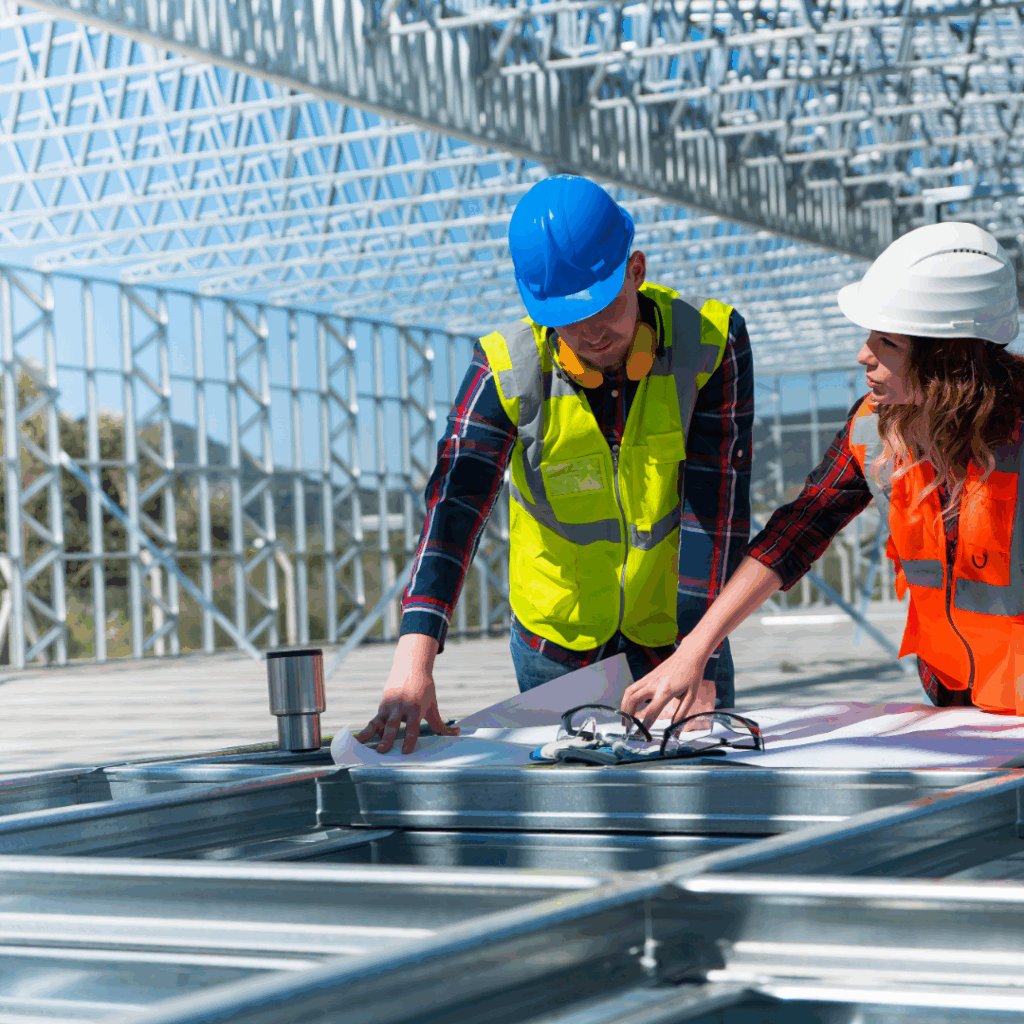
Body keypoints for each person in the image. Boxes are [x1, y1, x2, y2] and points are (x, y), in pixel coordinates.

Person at [357, 174, 754, 753]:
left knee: (700, 802)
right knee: (575, 822)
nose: (592, 332)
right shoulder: (507, 371)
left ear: (636, 270)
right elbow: (453, 507)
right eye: (568, 317)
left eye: (605, 306)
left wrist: (700, 654)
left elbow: (715, 519)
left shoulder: (710, 345)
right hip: (554, 646)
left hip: (677, 635)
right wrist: (413, 660)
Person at [621, 221, 1024, 727]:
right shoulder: (874, 430)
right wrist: (694, 649)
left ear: (948, 361)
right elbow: (795, 532)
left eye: (888, 344)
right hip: (957, 705)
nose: (863, 355)